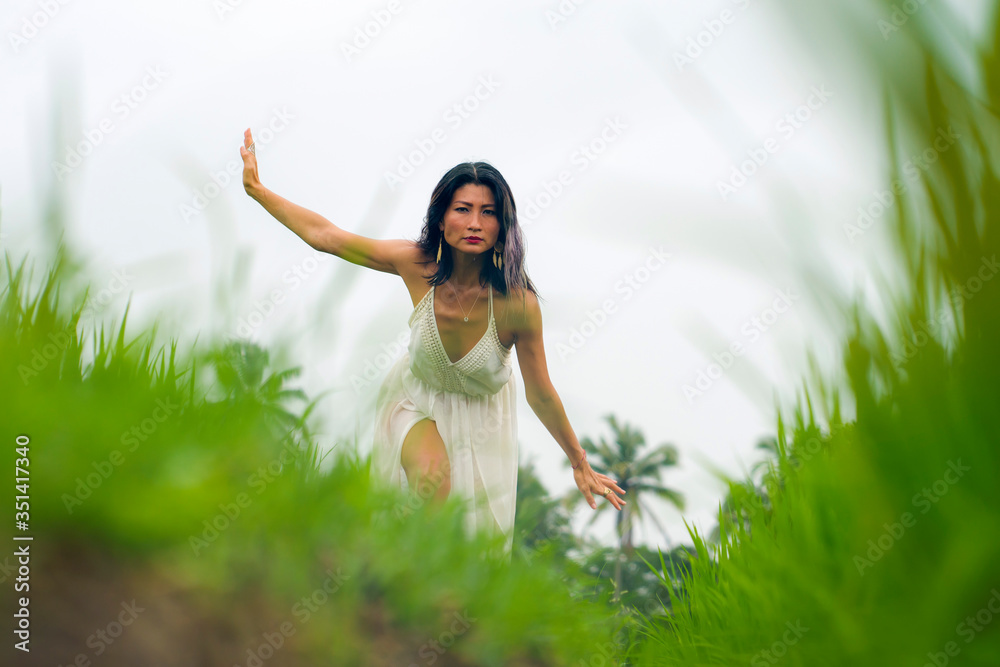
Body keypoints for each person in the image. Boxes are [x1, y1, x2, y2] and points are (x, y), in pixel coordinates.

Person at [239, 128, 625, 557]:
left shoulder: (517, 305)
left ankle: (409, 581)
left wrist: (579, 462)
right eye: (463, 209)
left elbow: (541, 394)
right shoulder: (416, 265)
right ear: (441, 219)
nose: (475, 223)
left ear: (503, 225)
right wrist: (258, 190)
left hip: (483, 423)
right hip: (414, 400)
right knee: (433, 484)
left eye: (488, 212)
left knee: (467, 549)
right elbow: (326, 236)